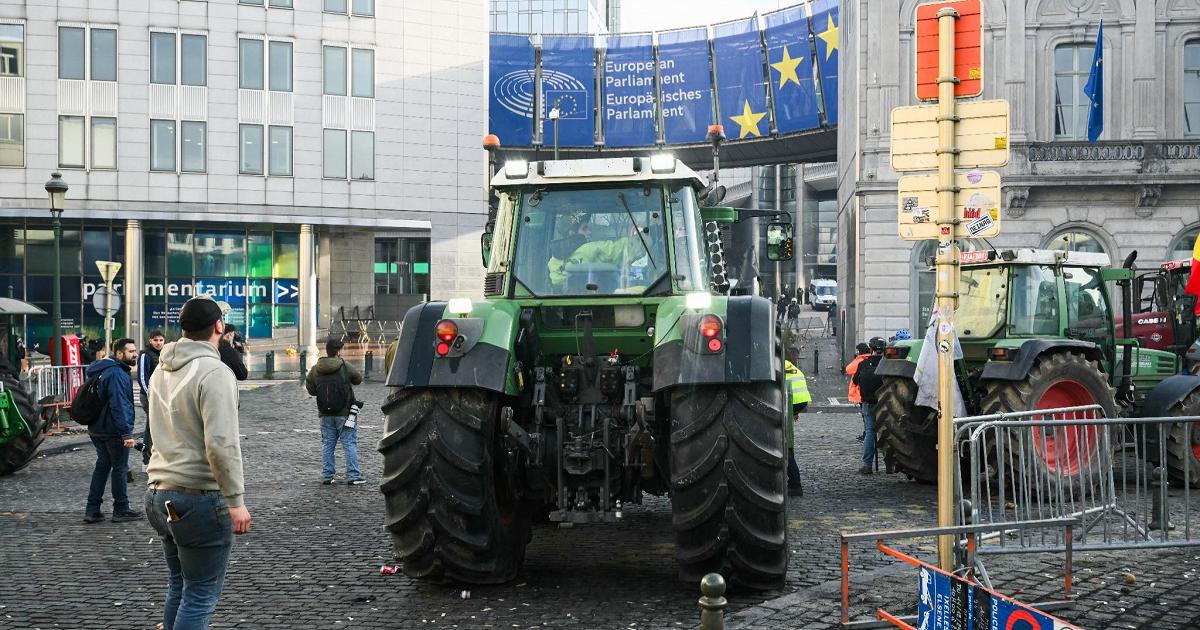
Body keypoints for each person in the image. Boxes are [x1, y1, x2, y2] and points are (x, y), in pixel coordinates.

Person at [145, 296, 251, 630]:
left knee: (180, 585)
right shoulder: (215, 372)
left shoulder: (161, 370)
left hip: (159, 495)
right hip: (198, 497)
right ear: (219, 326)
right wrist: (236, 502)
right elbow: (221, 444)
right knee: (201, 594)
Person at [83, 338, 142, 523]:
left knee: (102, 466)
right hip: (112, 429)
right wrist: (126, 433)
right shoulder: (116, 373)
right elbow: (119, 405)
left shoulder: (102, 368)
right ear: (118, 354)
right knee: (119, 468)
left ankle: (92, 509)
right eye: (130, 351)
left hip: (97, 428)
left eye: (135, 351)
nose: (135, 354)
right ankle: (121, 508)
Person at [305, 339, 365, 485]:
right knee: (349, 443)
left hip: (325, 413)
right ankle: (353, 476)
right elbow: (358, 379)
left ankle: (327, 476)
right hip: (344, 412)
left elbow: (311, 389)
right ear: (338, 351)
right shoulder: (344, 365)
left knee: (328, 444)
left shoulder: (316, 368)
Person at [852, 337, 887, 475]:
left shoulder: (864, 364)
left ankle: (867, 465)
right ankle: (892, 464)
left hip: (868, 403)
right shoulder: (888, 364)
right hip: (885, 404)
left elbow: (855, 380)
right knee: (888, 432)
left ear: (871, 349)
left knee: (870, 432)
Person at [784, 350, 811, 496]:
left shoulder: (779, 368)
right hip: (801, 402)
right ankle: (794, 484)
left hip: (791, 402)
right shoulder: (794, 369)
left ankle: (795, 483)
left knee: (787, 449)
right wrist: (794, 412)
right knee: (788, 449)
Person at [137, 330, 165, 468]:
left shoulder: (164, 354)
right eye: (156, 340)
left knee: (157, 425)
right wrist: (151, 394)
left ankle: (155, 457)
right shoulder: (145, 354)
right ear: (150, 341)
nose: (158, 343)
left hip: (162, 396)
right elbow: (142, 377)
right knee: (152, 425)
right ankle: (147, 459)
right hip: (149, 396)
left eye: (161, 340)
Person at [844, 342, 871, 443]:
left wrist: (857, 358)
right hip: (871, 391)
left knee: (866, 416)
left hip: (862, 393)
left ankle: (867, 435)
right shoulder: (871, 358)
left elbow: (848, 369)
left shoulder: (860, 360)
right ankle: (868, 434)